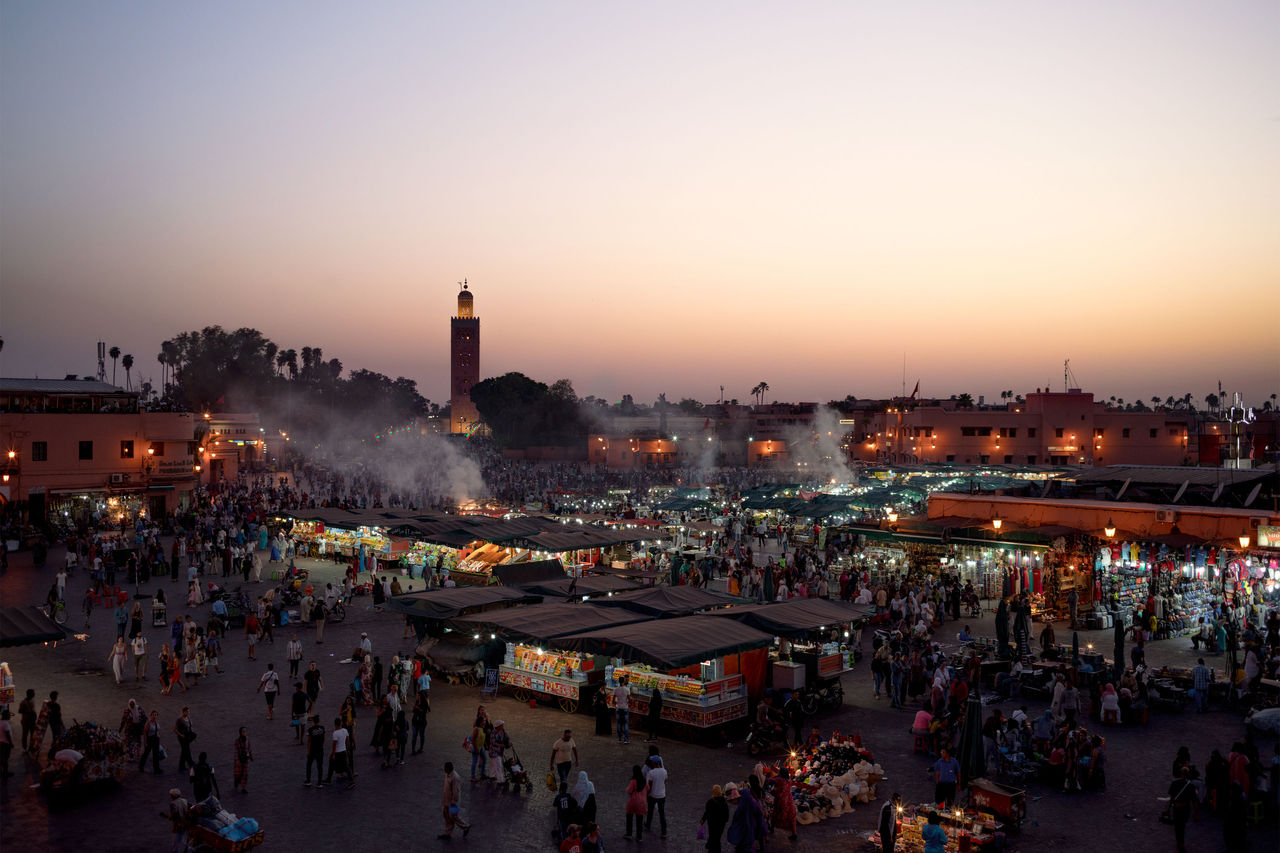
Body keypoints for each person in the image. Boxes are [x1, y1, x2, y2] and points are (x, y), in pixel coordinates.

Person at [727, 779, 767, 853]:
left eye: (732, 801)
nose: (732, 803)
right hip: (752, 824)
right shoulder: (746, 798)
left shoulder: (744, 804)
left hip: (750, 826)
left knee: (748, 846)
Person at [438, 760, 472, 839]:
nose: (444, 769)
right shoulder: (447, 774)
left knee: (453, 816)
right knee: (446, 815)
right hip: (446, 799)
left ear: (448, 769)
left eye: (445, 768)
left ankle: (465, 826)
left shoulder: (455, 777)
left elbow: (456, 791)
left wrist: (453, 801)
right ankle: (447, 833)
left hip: (452, 802)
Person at [1168, 765, 1197, 852]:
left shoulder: (1175, 783)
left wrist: (1168, 808)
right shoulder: (1191, 786)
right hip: (1185, 808)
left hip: (1177, 807)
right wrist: (1196, 813)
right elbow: (1194, 801)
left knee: (1177, 826)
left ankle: (1179, 841)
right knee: (1182, 825)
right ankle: (1181, 842)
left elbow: (1172, 797)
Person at [325, 715, 354, 788]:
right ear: (340, 723)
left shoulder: (335, 733)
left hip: (337, 753)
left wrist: (333, 754)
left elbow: (334, 745)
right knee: (346, 767)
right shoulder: (345, 730)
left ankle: (328, 779)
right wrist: (348, 750)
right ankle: (351, 781)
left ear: (335, 724)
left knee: (331, 765)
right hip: (343, 751)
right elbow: (347, 742)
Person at [644, 752, 668, 838]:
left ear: (654, 763)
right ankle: (664, 831)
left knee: (650, 811)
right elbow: (665, 781)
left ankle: (648, 824)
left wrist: (647, 794)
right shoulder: (664, 771)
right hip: (662, 795)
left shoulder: (651, 773)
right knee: (662, 813)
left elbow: (648, 785)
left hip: (652, 795)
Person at [700, 784, 729, 853]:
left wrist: (703, 820)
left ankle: (711, 849)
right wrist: (725, 820)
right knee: (717, 838)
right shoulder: (724, 801)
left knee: (713, 838)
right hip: (721, 825)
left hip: (712, 824)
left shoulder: (710, 802)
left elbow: (707, 812)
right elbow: (727, 814)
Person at [771, 769, 798, 840]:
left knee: (775, 814)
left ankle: (771, 828)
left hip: (781, 801)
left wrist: (776, 775)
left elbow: (770, 780)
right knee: (791, 817)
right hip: (789, 800)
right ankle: (794, 833)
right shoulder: (789, 780)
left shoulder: (780, 780)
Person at [624, 765, 648, 840]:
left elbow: (628, 791)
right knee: (639, 819)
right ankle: (639, 836)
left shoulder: (633, 781)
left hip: (633, 801)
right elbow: (648, 788)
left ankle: (629, 833)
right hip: (642, 802)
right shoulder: (644, 781)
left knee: (629, 817)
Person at [303, 715, 326, 786]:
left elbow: (309, 741)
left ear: (313, 721)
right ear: (319, 721)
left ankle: (308, 780)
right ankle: (319, 782)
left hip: (313, 749)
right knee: (320, 767)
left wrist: (308, 751)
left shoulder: (310, 729)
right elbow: (323, 738)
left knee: (309, 765)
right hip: (320, 749)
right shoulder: (322, 728)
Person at [173, 707, 197, 771]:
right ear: (183, 712)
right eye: (187, 711)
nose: (188, 713)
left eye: (188, 711)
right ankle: (190, 763)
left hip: (187, 737)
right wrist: (181, 735)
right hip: (182, 738)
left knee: (184, 751)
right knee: (186, 750)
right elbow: (174, 729)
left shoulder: (188, 718)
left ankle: (182, 766)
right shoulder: (179, 719)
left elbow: (190, 727)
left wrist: (192, 735)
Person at [167, 788, 191, 853]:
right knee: (185, 839)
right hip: (186, 823)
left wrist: (173, 823)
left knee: (176, 841)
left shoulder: (173, 804)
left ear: (172, 796)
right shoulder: (184, 800)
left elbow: (174, 814)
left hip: (179, 825)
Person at [232, 727, 252, 793]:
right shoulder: (237, 741)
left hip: (245, 759)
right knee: (238, 774)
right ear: (240, 732)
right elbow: (236, 751)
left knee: (245, 774)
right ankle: (236, 781)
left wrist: (250, 756)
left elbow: (249, 748)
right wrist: (237, 760)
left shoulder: (247, 740)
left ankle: (243, 787)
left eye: (245, 731)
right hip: (239, 761)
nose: (245, 733)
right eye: (243, 731)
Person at [18, 689, 37, 754]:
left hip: (32, 721)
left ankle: (31, 747)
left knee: (33, 735)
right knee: (25, 735)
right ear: (30, 694)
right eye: (33, 693)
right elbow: (19, 711)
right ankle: (25, 748)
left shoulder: (32, 700)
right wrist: (28, 712)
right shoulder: (23, 702)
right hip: (26, 721)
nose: (34, 694)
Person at [614, 676, 630, 744]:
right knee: (626, 723)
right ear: (623, 681)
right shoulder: (627, 689)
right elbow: (629, 699)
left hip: (618, 708)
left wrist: (617, 703)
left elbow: (613, 700)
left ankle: (620, 738)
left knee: (619, 723)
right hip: (625, 708)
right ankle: (626, 739)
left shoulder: (616, 689)